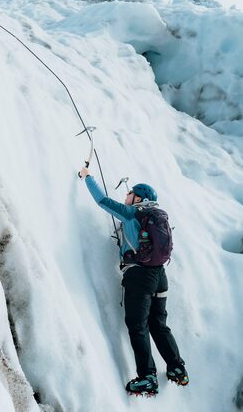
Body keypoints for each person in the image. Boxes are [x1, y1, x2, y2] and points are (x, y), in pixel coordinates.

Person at [79, 168, 188, 395]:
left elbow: (102, 200)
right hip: (160, 277)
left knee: (138, 326)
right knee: (158, 325)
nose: (126, 197)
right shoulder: (158, 216)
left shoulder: (132, 213)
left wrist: (87, 176)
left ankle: (147, 376)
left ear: (139, 198)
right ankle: (177, 368)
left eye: (130, 194)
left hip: (139, 276)